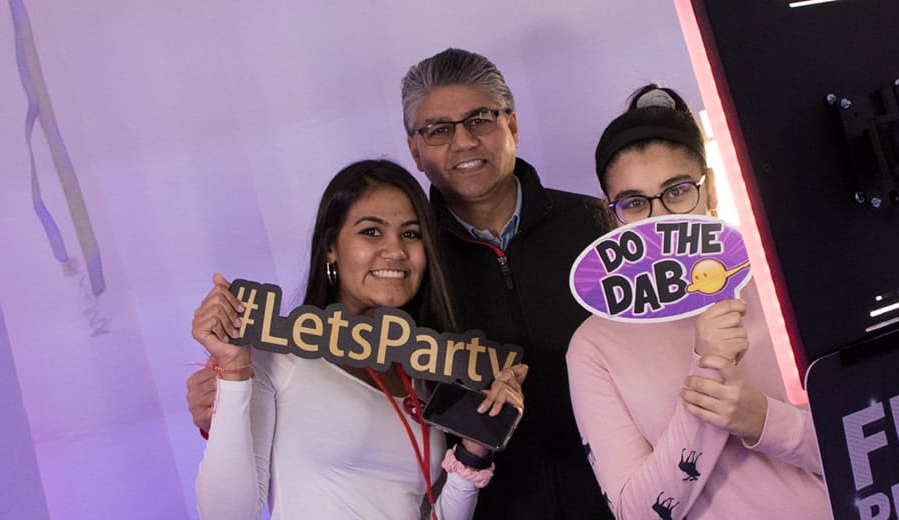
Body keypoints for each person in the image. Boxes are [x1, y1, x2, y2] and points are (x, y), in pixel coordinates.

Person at [187, 49, 615, 519]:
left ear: (511, 124)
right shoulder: (404, 283)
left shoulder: (597, 227)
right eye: (439, 129)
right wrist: (230, 390)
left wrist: (473, 454)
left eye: (480, 119)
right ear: (416, 148)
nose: (465, 142)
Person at [191, 160, 528, 519]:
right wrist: (233, 370)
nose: (395, 250)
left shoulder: (422, 374)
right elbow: (226, 513)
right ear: (330, 248)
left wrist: (473, 451)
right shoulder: (278, 358)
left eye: (411, 234)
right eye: (371, 232)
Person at [565, 85, 830, 519]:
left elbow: (871, 444)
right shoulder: (594, 345)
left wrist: (763, 420)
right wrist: (708, 368)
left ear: (710, 194)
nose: (660, 218)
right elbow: (639, 513)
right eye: (634, 203)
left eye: (677, 191)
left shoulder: (782, 286)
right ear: (610, 215)